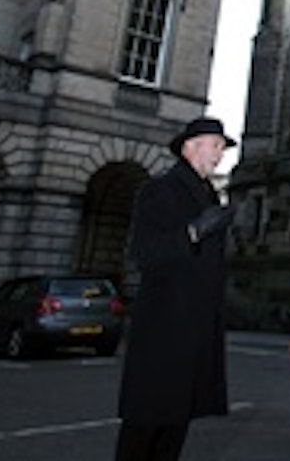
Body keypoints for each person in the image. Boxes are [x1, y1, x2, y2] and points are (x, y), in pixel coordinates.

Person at [114, 117, 236, 461]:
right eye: (215, 145)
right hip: (164, 325)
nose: (220, 154)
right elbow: (144, 252)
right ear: (190, 147)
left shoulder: (208, 193)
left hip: (193, 326)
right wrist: (193, 232)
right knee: (146, 423)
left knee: (175, 423)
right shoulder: (161, 189)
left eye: (222, 147)